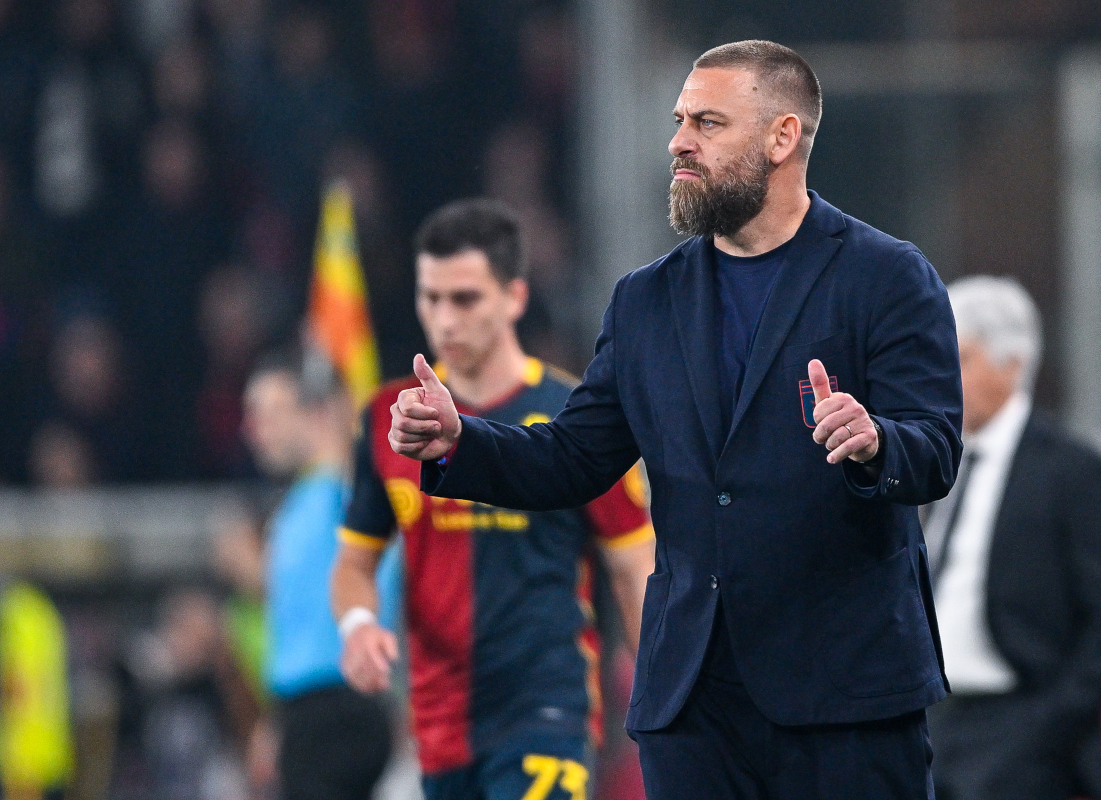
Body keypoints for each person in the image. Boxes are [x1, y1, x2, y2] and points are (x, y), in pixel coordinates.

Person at [389, 41, 963, 799]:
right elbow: (572, 457)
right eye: (679, 119)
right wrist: (462, 439)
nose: (679, 141)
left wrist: (875, 441)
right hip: (693, 704)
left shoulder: (886, 276)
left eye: (708, 122)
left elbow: (936, 446)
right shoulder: (645, 299)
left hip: (845, 696)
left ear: (782, 138)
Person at [331, 198, 655, 800]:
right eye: (431, 298)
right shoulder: (388, 419)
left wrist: (666, 693)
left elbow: (634, 564)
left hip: (548, 709)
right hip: (437, 721)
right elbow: (354, 562)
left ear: (515, 297)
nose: (445, 320)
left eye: (465, 298)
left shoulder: (578, 418)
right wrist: (357, 625)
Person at [925, 276, 1101, 800]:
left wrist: (1050, 727)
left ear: (1013, 363)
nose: (942, 377)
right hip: (934, 728)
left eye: (961, 358)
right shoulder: (936, 463)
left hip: (1020, 732)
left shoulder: (1069, 470)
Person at [242, 350, 401, 800]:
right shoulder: (302, 501)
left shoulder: (344, 487)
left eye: (269, 412)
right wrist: (279, 720)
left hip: (336, 708)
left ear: (315, 413)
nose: (255, 430)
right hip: (306, 712)